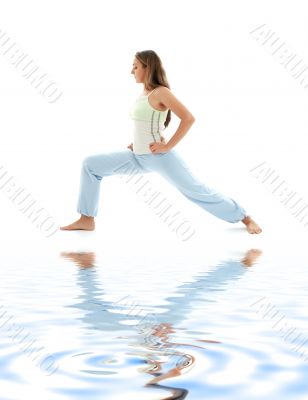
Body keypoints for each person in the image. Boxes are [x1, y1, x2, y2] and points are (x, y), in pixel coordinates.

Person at [60, 50, 262, 234]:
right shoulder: (144, 94)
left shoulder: (161, 92)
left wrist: (167, 146)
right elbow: (147, 123)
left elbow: (188, 118)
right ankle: (86, 219)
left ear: (148, 68)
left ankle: (245, 217)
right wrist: (136, 142)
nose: (132, 71)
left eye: (135, 67)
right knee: (90, 165)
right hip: (137, 156)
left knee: (196, 190)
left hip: (159, 157)